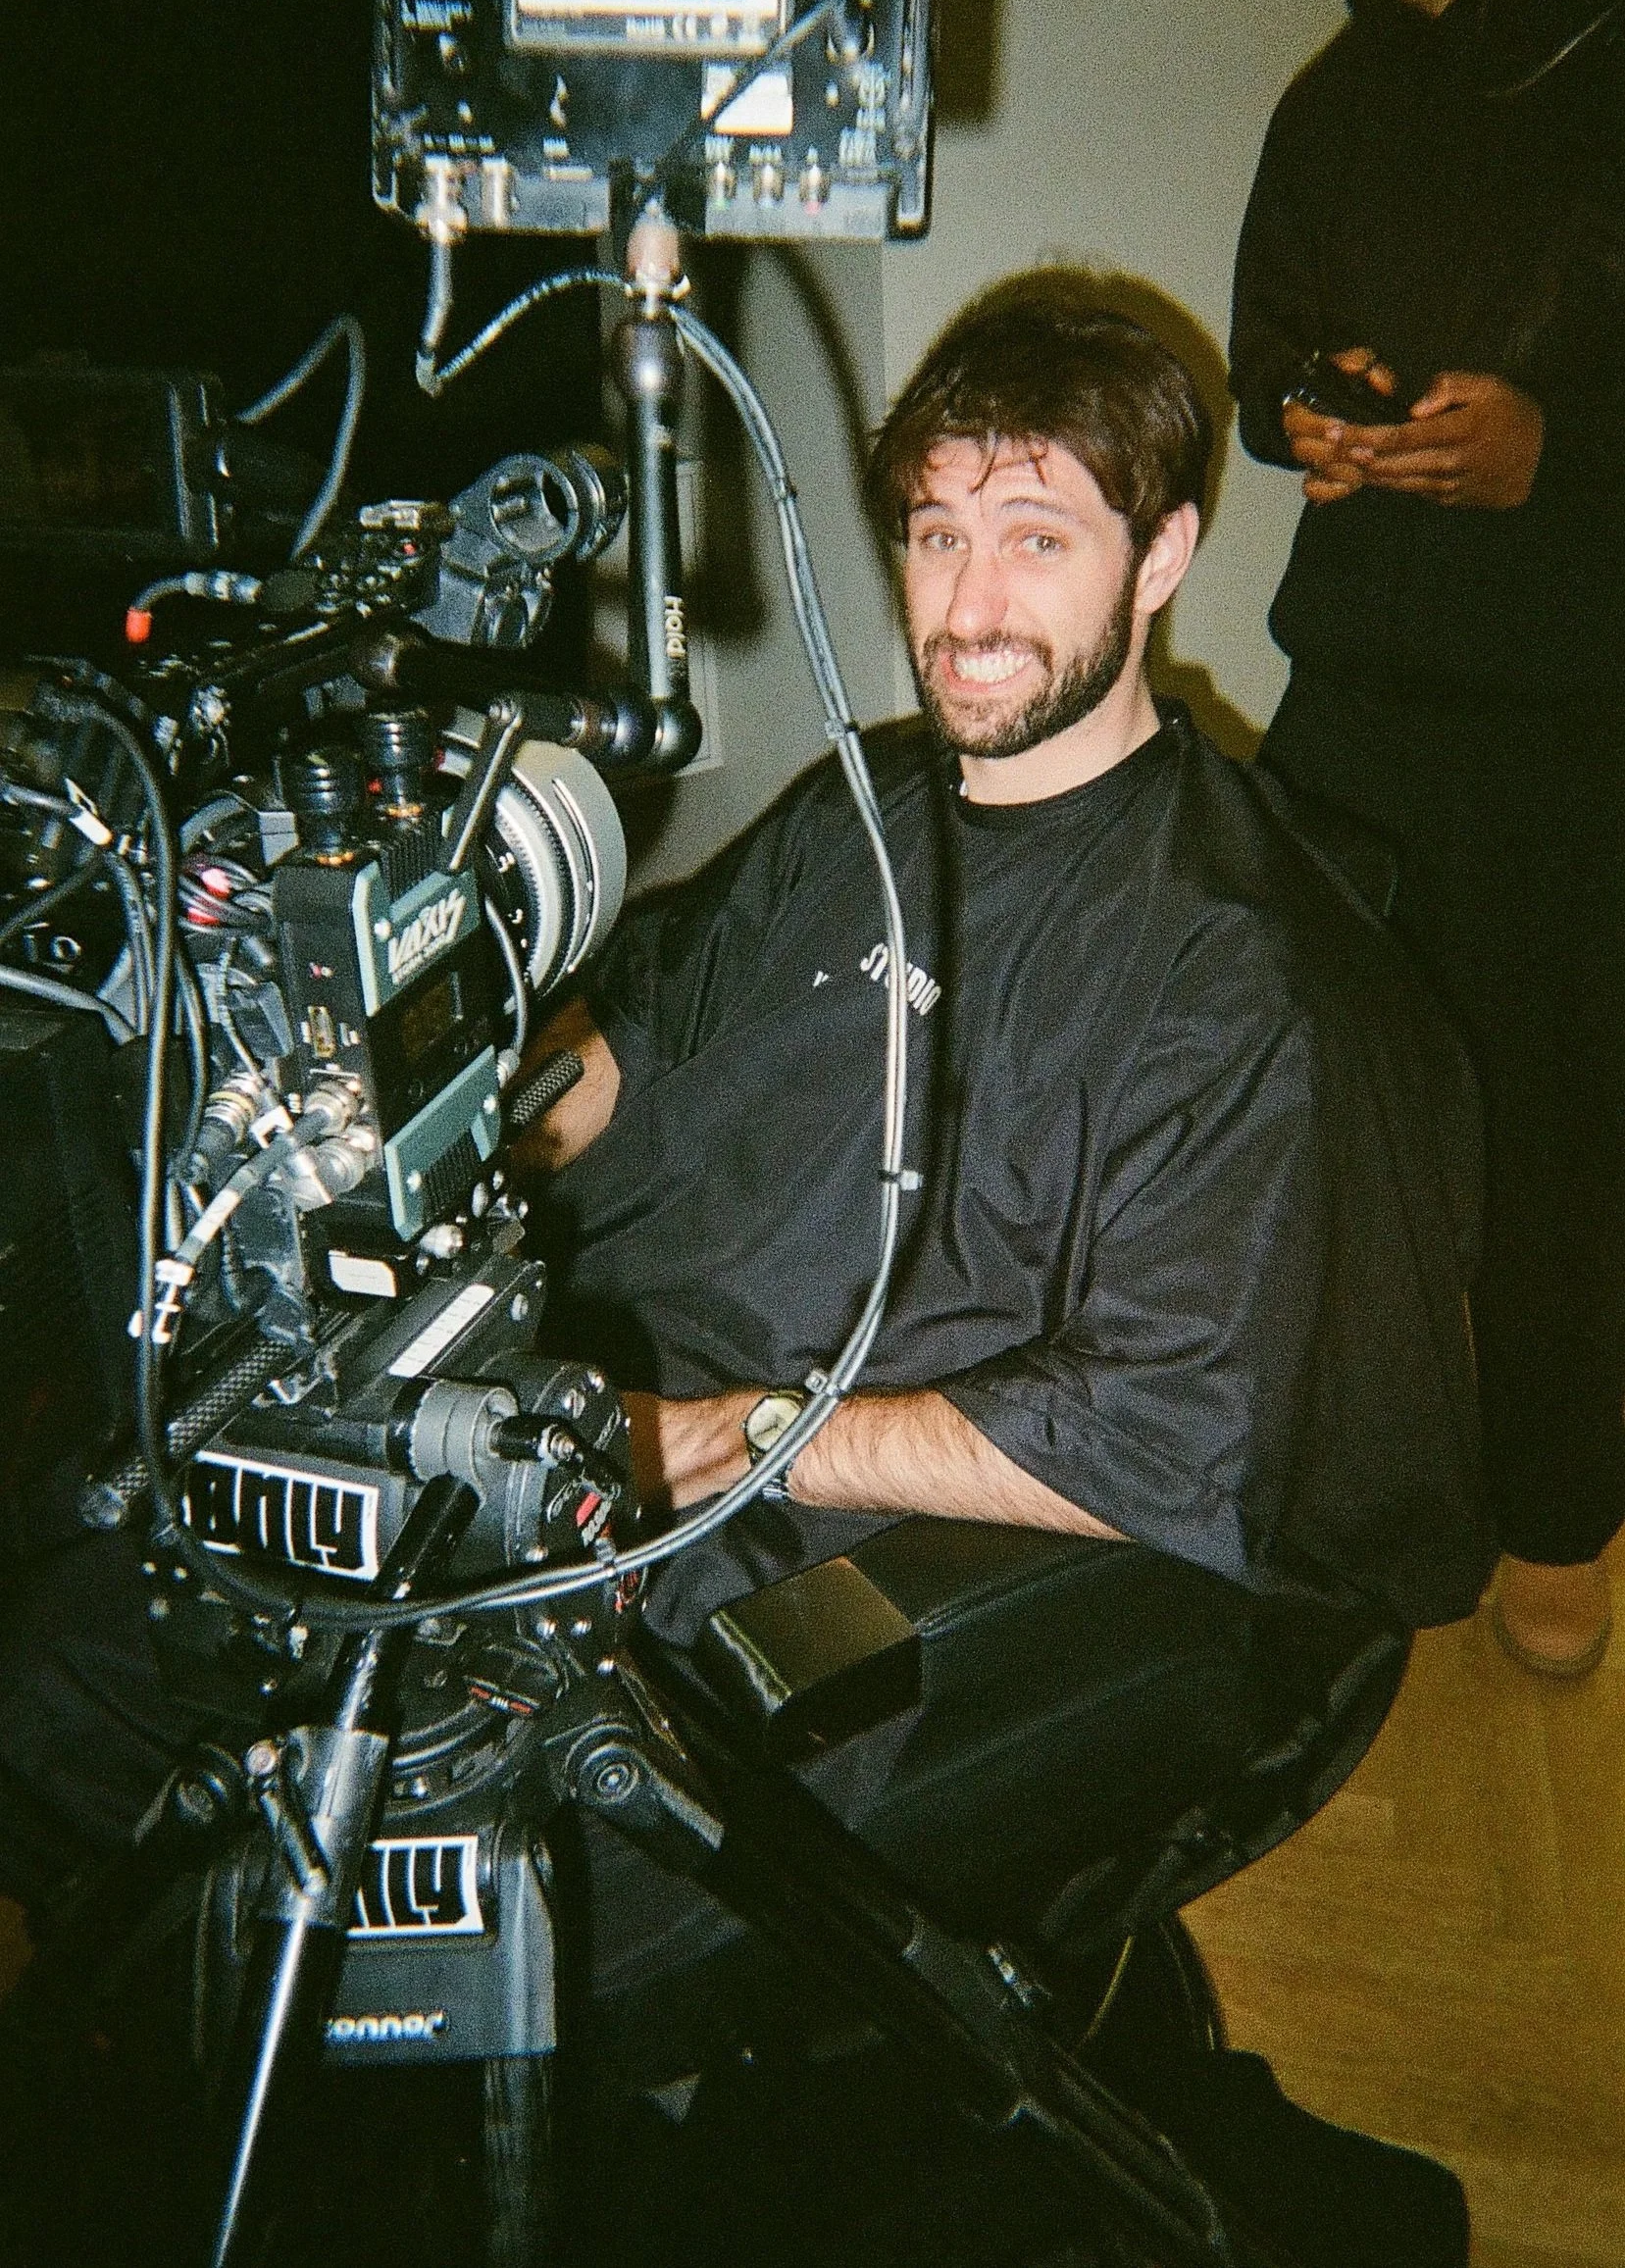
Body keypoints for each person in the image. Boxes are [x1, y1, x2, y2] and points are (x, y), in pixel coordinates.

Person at [0, 279, 1489, 2022]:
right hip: (558, 1403)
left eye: (1035, 537)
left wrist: (734, 1435)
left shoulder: (1225, 970)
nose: (971, 606)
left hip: (781, 1519)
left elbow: (1153, 1428)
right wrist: (417, 1143)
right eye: (937, 535)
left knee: (407, 1894)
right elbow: (636, 1046)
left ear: (1158, 558)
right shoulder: (864, 800)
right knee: (91, 1643)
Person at [1230, 0, 1625, 1675]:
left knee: (1561, 1147)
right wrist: (1311, 412)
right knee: (1326, 1128)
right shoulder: (1365, 77)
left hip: (1583, 721)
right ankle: (1354, 1497)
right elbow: (1263, 352)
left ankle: (1561, 1505)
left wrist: (1563, 460)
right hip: (1362, 695)